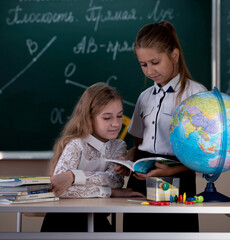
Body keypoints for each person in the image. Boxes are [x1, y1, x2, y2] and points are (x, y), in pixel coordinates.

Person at [114, 21, 207, 232]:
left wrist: (171, 169)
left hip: (177, 177)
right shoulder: (144, 98)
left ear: (174, 55)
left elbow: (203, 154)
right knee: (137, 235)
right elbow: (138, 144)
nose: (149, 70)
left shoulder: (196, 94)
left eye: (155, 62)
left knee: (173, 234)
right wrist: (128, 159)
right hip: (141, 179)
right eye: (143, 64)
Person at [41, 82, 144, 232]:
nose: (116, 123)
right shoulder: (76, 145)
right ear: (89, 118)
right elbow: (60, 190)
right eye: (107, 118)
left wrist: (73, 177)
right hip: (62, 222)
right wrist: (110, 193)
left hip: (96, 220)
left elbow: (114, 180)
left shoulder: (118, 146)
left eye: (120, 116)